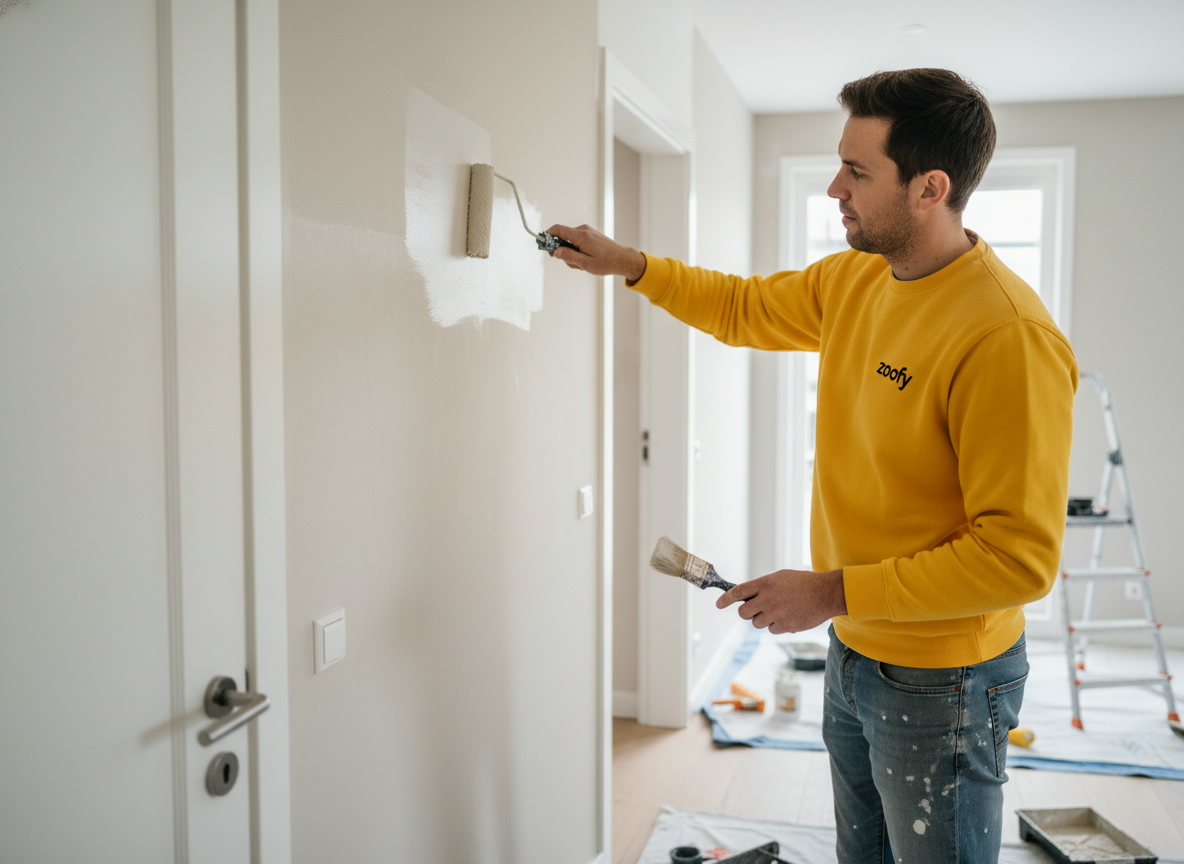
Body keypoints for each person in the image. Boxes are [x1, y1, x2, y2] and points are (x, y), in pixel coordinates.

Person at [548, 68, 1077, 863]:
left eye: (858, 172)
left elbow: (1019, 559)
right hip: (856, 648)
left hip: (946, 680)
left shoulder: (1006, 338)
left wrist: (829, 590)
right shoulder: (858, 277)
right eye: (840, 165)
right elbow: (739, 306)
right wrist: (630, 263)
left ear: (931, 187)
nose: (836, 187)